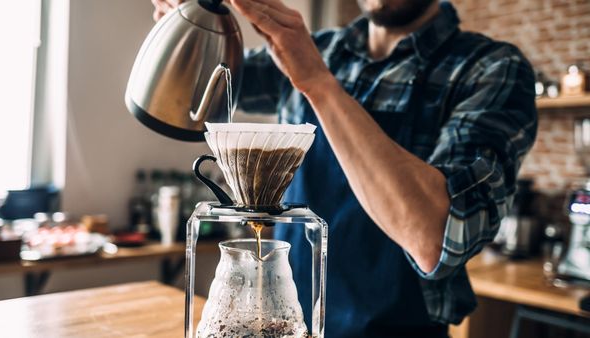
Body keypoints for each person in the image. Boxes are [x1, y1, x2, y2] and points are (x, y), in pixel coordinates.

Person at [154, 0, 537, 337]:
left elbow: (435, 239)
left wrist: (318, 84)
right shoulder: (319, 48)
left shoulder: (489, 68)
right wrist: (186, 27)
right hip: (290, 326)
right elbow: (200, 93)